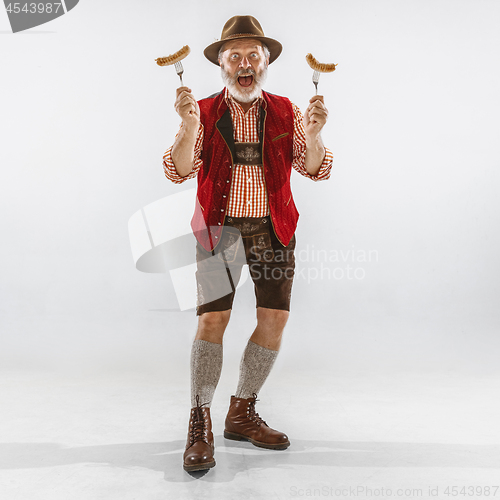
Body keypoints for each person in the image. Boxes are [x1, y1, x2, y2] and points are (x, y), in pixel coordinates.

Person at [162, 15, 333, 472]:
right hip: (220, 230)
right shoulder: (202, 110)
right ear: (220, 64)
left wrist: (314, 136)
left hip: (275, 229)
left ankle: (241, 412)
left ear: (265, 62)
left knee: (274, 319)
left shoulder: (285, 110)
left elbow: (314, 168)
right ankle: (199, 421)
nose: (243, 64)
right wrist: (186, 127)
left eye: (251, 56)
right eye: (233, 56)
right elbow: (178, 170)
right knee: (213, 319)